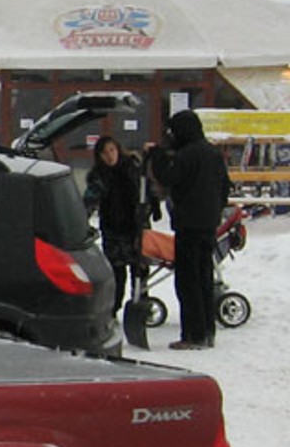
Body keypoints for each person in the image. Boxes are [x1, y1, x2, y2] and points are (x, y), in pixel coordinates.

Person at [148, 109, 232, 350]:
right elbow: (225, 185)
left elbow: (168, 177)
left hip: (188, 225)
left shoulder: (187, 155)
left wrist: (158, 154)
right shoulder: (212, 153)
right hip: (209, 224)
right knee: (205, 278)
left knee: (188, 281)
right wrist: (215, 209)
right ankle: (207, 331)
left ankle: (193, 335)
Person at [84, 134, 148, 312]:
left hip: (135, 228)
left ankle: (141, 306)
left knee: (140, 270)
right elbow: (90, 201)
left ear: (118, 150)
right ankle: (114, 308)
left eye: (112, 150)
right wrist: (81, 221)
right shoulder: (99, 176)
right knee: (116, 272)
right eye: (104, 153)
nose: (109, 156)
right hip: (113, 229)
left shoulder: (132, 168)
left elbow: (144, 195)